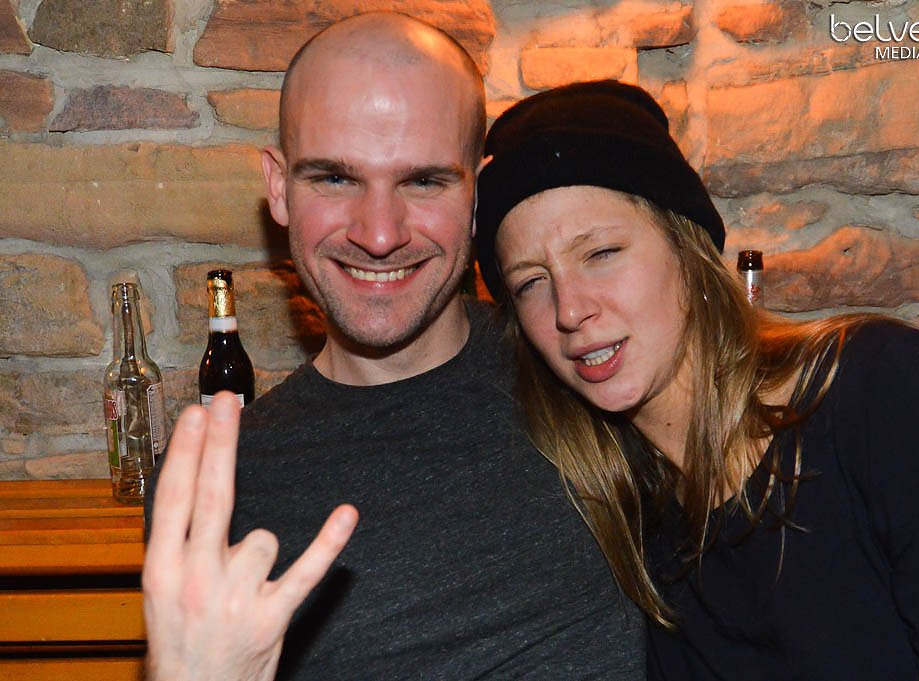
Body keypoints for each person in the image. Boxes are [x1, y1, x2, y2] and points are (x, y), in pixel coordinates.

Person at [142, 20, 644, 681]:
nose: (380, 235)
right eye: (335, 178)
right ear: (279, 187)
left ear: (477, 196)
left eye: (424, 181)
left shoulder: (592, 368)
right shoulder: (218, 483)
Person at [473, 80, 919, 680]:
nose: (570, 309)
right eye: (531, 282)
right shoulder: (635, 526)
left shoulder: (885, 396)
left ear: (690, 251)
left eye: (601, 253)